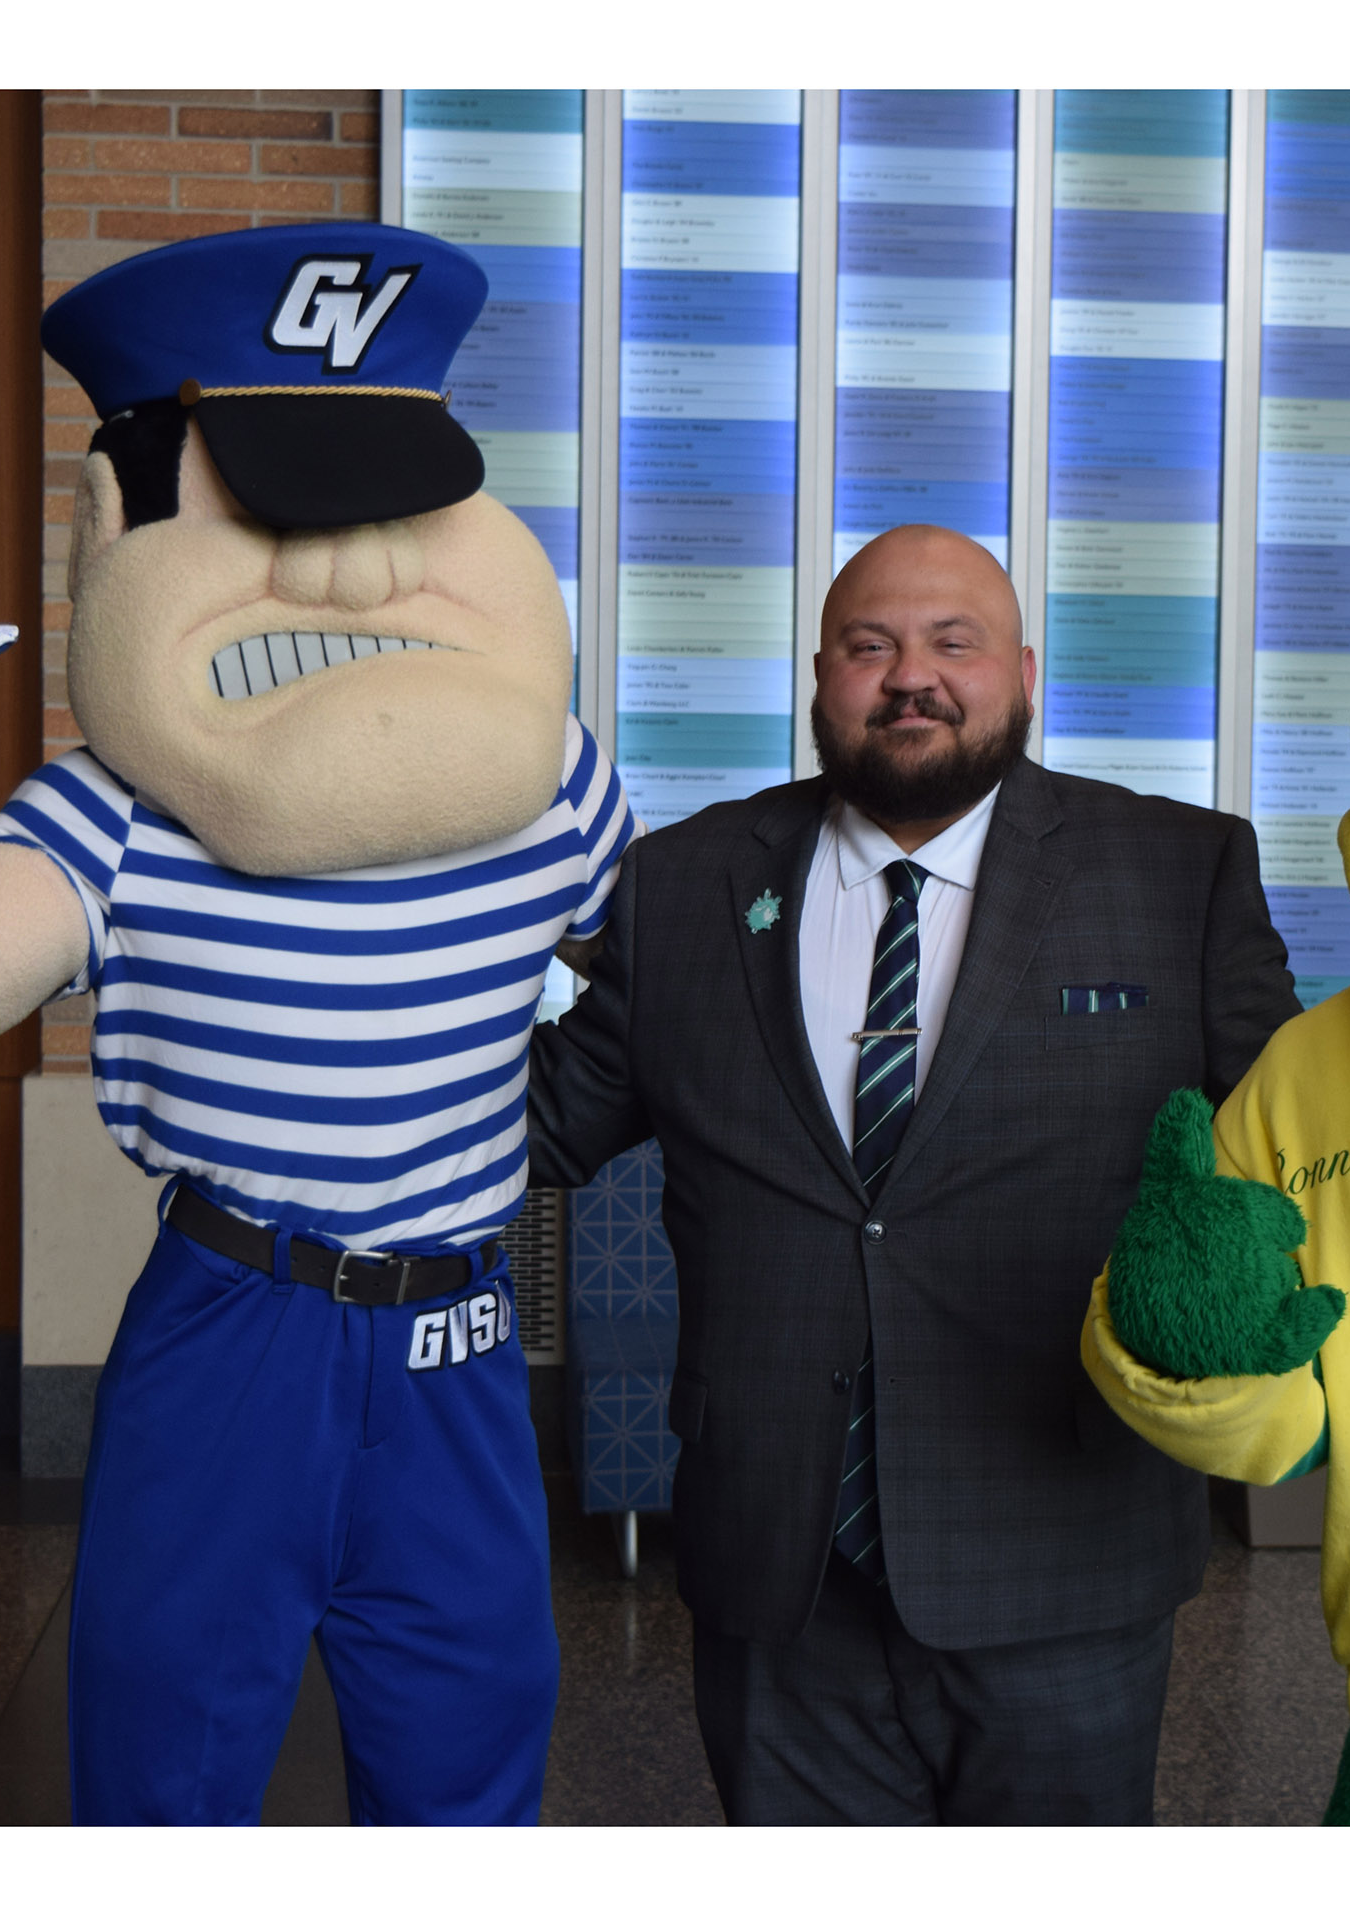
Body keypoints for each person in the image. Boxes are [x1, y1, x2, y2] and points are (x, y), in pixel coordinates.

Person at [0, 224, 638, 1823]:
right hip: (234, 1330)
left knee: (472, 1744)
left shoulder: (556, 784)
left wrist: (543, 1127)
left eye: (393, 500)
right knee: (162, 1762)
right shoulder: (114, 812)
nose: (345, 563)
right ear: (112, 519)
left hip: (460, 1337)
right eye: (273, 505)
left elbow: (671, 986)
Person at [527, 523, 1299, 1823]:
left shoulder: (1178, 871)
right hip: (779, 1567)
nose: (911, 678)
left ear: (1025, 671)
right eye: (870, 645)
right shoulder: (683, 886)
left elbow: (1295, 1144)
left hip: (1065, 1557)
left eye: (956, 642)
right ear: (818, 673)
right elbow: (539, 1126)